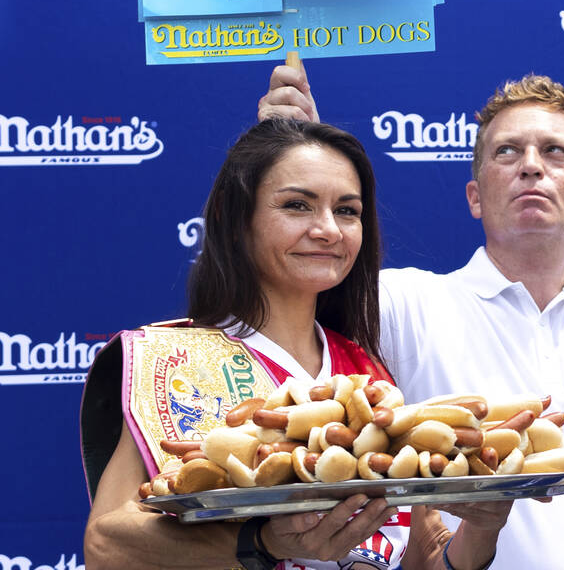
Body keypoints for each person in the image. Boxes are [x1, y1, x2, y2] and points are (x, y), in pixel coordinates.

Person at [260, 73, 564, 569]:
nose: (532, 167)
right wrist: (294, 152)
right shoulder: (406, 302)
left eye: (556, 152)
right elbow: (301, 263)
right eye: (507, 152)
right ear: (474, 197)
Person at [83, 119, 508, 570]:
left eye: (347, 210)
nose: (328, 229)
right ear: (233, 220)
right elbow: (106, 547)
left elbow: (419, 556)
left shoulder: (368, 377)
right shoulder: (175, 362)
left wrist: (483, 527)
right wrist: (263, 542)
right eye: (297, 205)